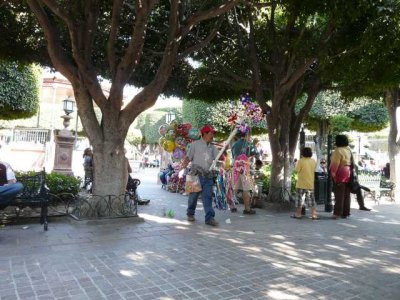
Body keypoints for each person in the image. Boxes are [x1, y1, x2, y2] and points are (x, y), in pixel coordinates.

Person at [181, 124, 219, 226]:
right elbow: (188, 157)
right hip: (195, 174)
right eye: (211, 133)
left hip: (208, 175)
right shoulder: (195, 144)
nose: (212, 135)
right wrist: (183, 165)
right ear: (205, 134)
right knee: (193, 196)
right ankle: (190, 213)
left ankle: (209, 218)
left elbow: (219, 158)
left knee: (208, 197)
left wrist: (224, 155)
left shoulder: (213, 147)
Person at [231, 131, 258, 215]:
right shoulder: (249, 144)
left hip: (235, 167)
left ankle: (232, 206)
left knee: (234, 187)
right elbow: (255, 154)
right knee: (246, 189)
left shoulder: (235, 144)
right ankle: (247, 209)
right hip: (244, 169)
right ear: (247, 134)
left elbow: (233, 156)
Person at [291, 147, 319, 220]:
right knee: (312, 200)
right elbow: (315, 169)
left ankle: (298, 214)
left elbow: (296, 170)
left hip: (301, 183)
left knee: (299, 200)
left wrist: (295, 164)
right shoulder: (313, 161)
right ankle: (314, 215)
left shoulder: (300, 161)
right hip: (310, 184)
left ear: (302, 153)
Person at [330, 134, 352, 219]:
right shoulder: (348, 150)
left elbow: (335, 163)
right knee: (346, 194)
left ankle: (337, 213)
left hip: (340, 172)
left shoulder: (338, 150)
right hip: (348, 172)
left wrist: (333, 174)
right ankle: (346, 212)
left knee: (339, 194)